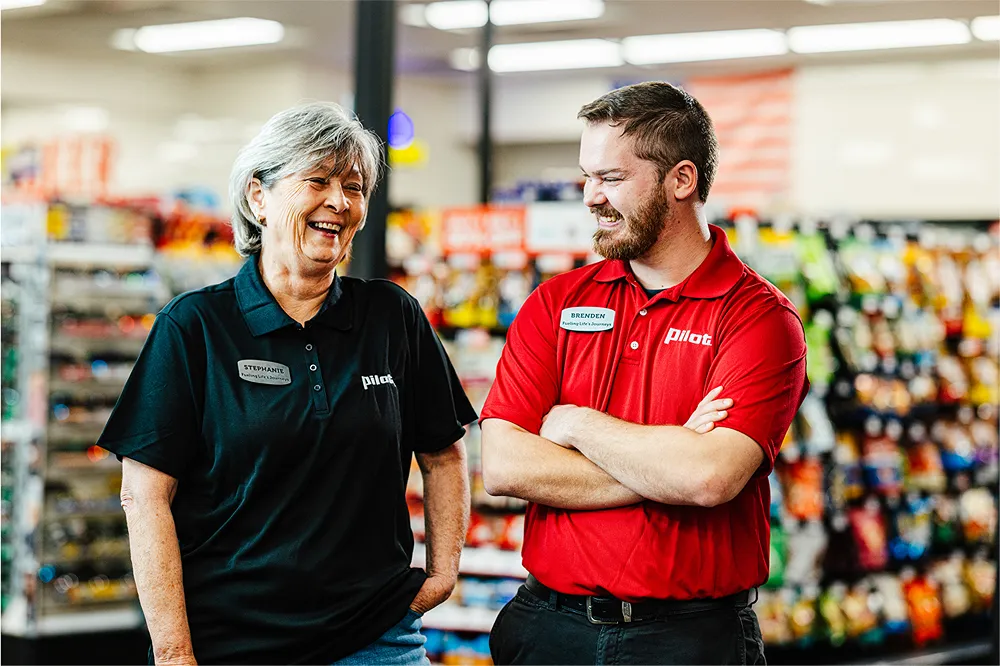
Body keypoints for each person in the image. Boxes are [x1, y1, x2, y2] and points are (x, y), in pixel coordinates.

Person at [98, 102, 477, 665]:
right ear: (259, 198)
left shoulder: (392, 316)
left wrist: (444, 572)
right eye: (318, 181)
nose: (339, 203)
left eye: (354, 187)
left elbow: (443, 454)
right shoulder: (196, 326)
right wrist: (174, 652)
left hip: (376, 640)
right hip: (233, 643)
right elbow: (145, 494)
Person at [480, 81, 809, 665]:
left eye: (609, 178)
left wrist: (574, 423)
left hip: (688, 640)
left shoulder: (758, 319)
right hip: (548, 628)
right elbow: (505, 465)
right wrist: (672, 459)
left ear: (681, 180)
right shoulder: (555, 303)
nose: (589, 197)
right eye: (587, 177)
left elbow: (710, 479)